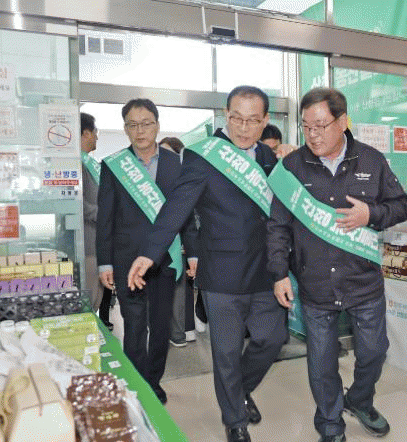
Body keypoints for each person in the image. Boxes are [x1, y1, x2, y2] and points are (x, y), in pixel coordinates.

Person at [127, 86, 287, 442]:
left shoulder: (269, 158)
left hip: (266, 270)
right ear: (226, 115)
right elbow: (177, 207)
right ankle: (235, 420)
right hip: (222, 272)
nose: (243, 128)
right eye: (236, 118)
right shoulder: (203, 156)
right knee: (226, 352)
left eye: (252, 120)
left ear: (265, 121)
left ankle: (240, 390)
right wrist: (150, 252)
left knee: (272, 338)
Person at [267, 87, 407, 442]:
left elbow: (401, 205)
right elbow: (278, 226)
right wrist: (279, 273)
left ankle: (359, 400)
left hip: (363, 281)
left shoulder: (371, 161)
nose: (313, 135)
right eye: (306, 127)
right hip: (315, 282)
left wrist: (370, 214)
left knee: (374, 352)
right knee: (321, 362)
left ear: (343, 121)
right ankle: (330, 425)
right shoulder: (292, 167)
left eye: (321, 126)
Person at [96, 98, 198, 405]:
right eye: (133, 125)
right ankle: (136, 381)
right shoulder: (114, 166)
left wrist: (193, 253)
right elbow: (105, 218)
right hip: (126, 260)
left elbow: (185, 214)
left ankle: (153, 381)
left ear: (157, 125)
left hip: (165, 259)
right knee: (135, 324)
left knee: (161, 324)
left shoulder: (176, 164)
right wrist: (104, 263)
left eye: (146, 123)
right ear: (125, 129)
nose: (140, 131)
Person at [159, 136, 198, 346]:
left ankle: (179, 331)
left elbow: (190, 218)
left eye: (169, 154)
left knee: (179, 289)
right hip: (154, 246)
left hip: (178, 246)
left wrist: (191, 250)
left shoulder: (186, 178)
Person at [79, 113, 104, 315]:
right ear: (86, 133)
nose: (96, 137)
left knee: (96, 297)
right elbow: (77, 203)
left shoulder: (90, 163)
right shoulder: (77, 164)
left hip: (98, 242)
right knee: (89, 299)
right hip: (87, 244)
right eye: (95, 132)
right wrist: (105, 214)